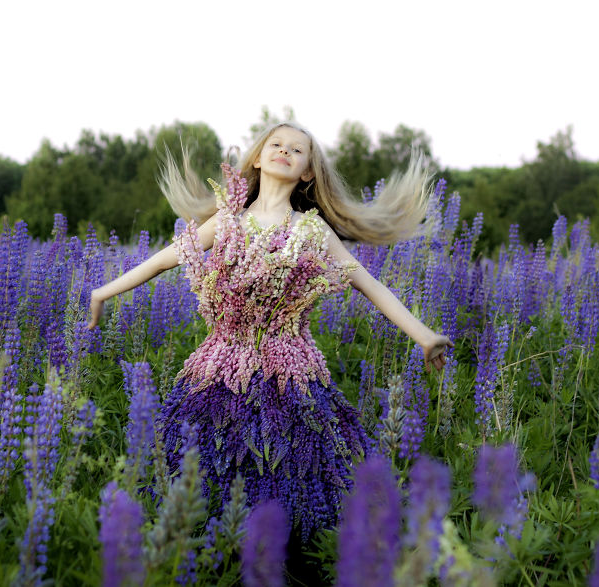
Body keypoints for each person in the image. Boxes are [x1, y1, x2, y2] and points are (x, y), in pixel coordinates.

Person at [88, 122, 452, 543]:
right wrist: (101, 292)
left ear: (308, 173)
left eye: (297, 150)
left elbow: (368, 284)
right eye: (275, 144)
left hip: (290, 368)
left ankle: (294, 551)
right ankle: (207, 549)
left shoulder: (312, 230)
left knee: (294, 465)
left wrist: (424, 336)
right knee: (203, 458)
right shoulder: (227, 221)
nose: (285, 151)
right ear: (257, 158)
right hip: (220, 365)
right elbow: (163, 260)